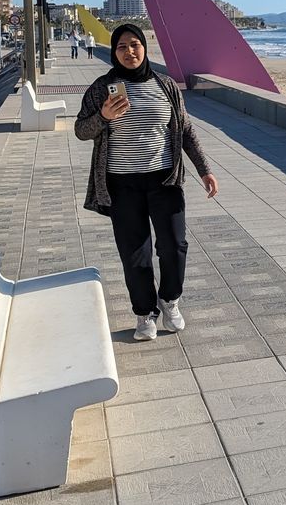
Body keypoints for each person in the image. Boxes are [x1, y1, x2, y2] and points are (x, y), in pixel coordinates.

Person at [75, 23, 219, 341]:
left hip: (164, 179)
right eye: (122, 46)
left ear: (144, 48)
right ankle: (144, 313)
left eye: (135, 44)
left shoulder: (165, 85)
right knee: (134, 252)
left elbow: (186, 130)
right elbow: (81, 130)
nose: (130, 51)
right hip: (121, 183)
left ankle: (169, 299)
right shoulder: (103, 87)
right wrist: (104, 117)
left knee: (174, 246)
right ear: (114, 52)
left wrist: (204, 169)